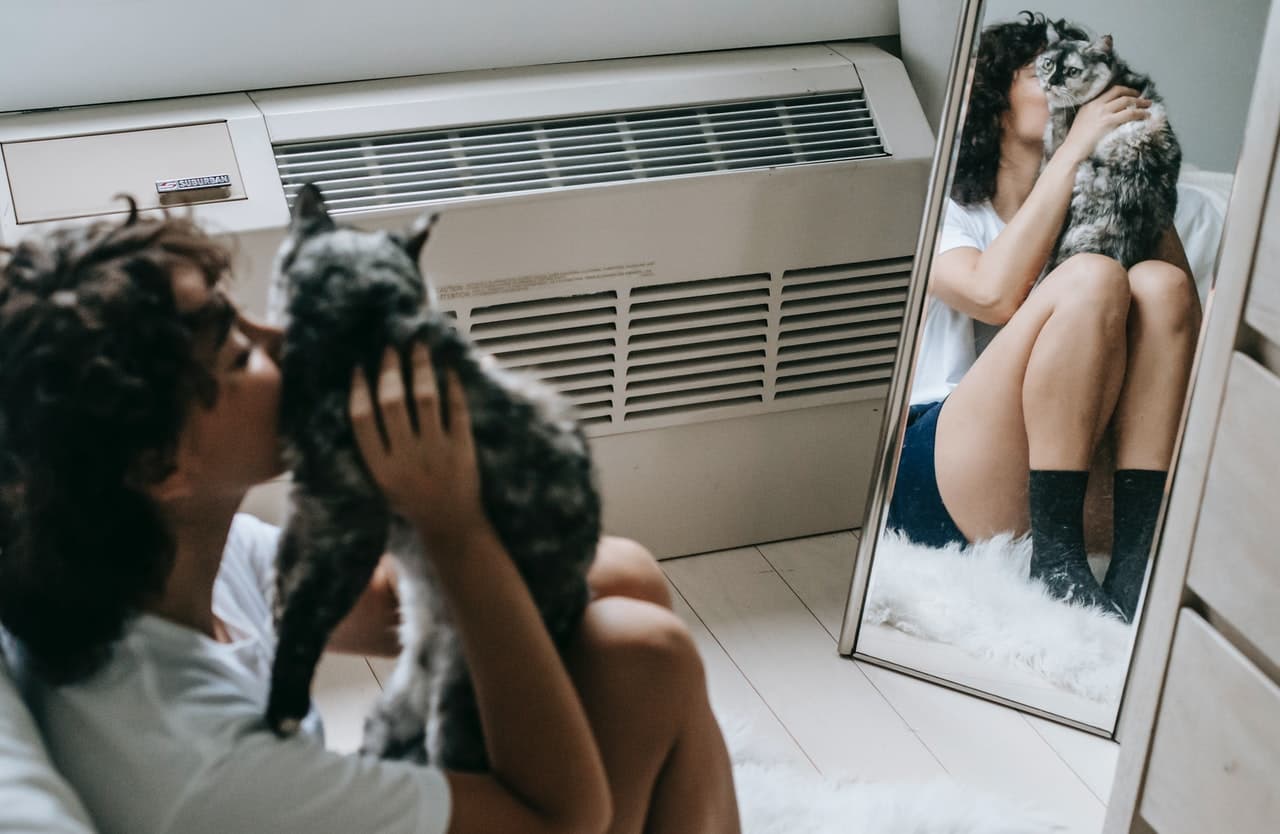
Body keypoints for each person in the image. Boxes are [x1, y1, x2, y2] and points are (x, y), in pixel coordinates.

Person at [0, 206, 741, 834]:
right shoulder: (202, 765)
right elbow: (559, 819)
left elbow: (384, 603)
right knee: (646, 657)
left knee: (622, 576)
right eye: (238, 352)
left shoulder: (141, 563)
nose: (282, 340)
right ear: (162, 465)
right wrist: (453, 527)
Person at [886, 12, 1200, 621]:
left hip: (1080, 477)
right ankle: (1054, 562)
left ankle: (1135, 559)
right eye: (1042, 71)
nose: (1073, 82)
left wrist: (1130, 176)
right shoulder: (944, 210)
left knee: (1160, 286)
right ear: (995, 103)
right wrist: (1076, 145)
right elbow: (992, 295)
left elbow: (1185, 323)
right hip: (947, 470)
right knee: (1090, 276)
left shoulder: (1103, 205)